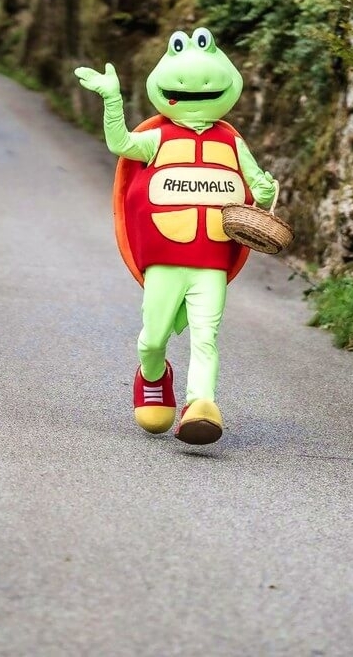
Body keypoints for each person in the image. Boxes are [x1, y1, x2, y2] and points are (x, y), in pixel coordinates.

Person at [74, 28, 278, 445]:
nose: (197, 86)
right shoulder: (158, 138)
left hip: (212, 260)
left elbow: (258, 186)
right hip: (164, 259)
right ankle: (153, 375)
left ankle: (200, 405)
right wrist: (112, 99)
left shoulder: (232, 141)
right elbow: (120, 143)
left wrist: (267, 193)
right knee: (153, 339)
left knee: (208, 337)